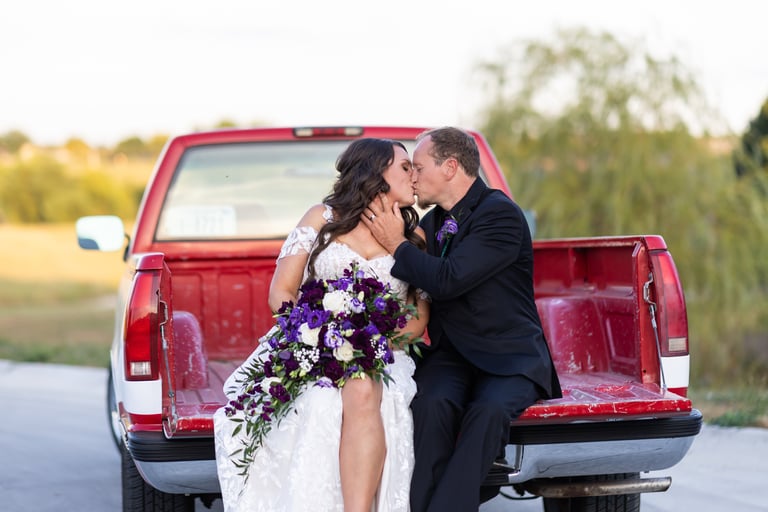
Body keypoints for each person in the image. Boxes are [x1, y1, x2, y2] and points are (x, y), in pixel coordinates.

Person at [213, 138, 430, 512]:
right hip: (311, 346)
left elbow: (418, 320)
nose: (414, 176)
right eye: (405, 166)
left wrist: (368, 343)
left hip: (383, 354)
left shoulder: (415, 238)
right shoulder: (321, 218)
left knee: (363, 386)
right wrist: (315, 338)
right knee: (325, 399)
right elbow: (281, 292)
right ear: (377, 172)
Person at [362, 127, 562, 512]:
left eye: (418, 167)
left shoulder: (501, 215)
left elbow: (449, 279)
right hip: (452, 356)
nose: (412, 177)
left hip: (509, 358)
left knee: (487, 413)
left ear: (450, 167)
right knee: (429, 403)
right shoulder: (432, 222)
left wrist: (396, 244)